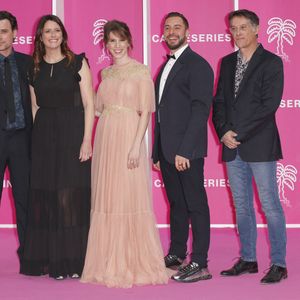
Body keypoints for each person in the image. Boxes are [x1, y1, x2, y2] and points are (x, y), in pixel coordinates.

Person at [81, 20, 169, 288]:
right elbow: (96, 109)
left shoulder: (141, 71)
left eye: (120, 40)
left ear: (129, 42)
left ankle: (131, 260)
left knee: (127, 196)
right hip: (106, 136)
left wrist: (136, 145)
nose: (116, 46)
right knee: (107, 196)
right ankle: (107, 259)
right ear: (105, 44)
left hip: (129, 135)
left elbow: (145, 112)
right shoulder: (105, 74)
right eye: (111, 41)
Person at [213, 9, 287, 284]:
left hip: (259, 144)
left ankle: (279, 263)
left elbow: (269, 105)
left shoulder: (271, 62)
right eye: (233, 28)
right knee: (241, 206)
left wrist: (237, 133)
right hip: (231, 145)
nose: (238, 33)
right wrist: (223, 132)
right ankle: (248, 259)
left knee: (270, 206)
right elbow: (218, 101)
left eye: (243, 27)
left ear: (256, 29)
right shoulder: (227, 62)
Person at [20, 15, 94, 279]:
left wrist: (87, 140)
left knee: (69, 198)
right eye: (47, 31)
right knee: (47, 198)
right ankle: (51, 261)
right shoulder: (33, 68)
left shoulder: (77, 62)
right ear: (40, 37)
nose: (53, 35)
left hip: (73, 134)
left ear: (63, 34)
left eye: (57, 30)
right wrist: (35, 141)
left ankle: (73, 261)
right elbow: (34, 106)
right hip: (44, 136)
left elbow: (89, 105)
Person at [152, 12, 214, 283]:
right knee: (177, 204)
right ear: (163, 33)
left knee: (196, 204)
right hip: (166, 151)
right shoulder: (165, 66)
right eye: (168, 27)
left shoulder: (198, 65)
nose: (172, 31)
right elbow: (161, 114)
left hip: (185, 152)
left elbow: (201, 111)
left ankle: (200, 261)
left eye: (177, 27)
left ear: (187, 31)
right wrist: (156, 152)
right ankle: (177, 253)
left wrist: (185, 150)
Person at [0, 11, 32, 266]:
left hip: (22, 139)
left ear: (14, 34)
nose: (0, 37)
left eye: (4, 31)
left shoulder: (28, 63)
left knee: (25, 199)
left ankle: (29, 255)